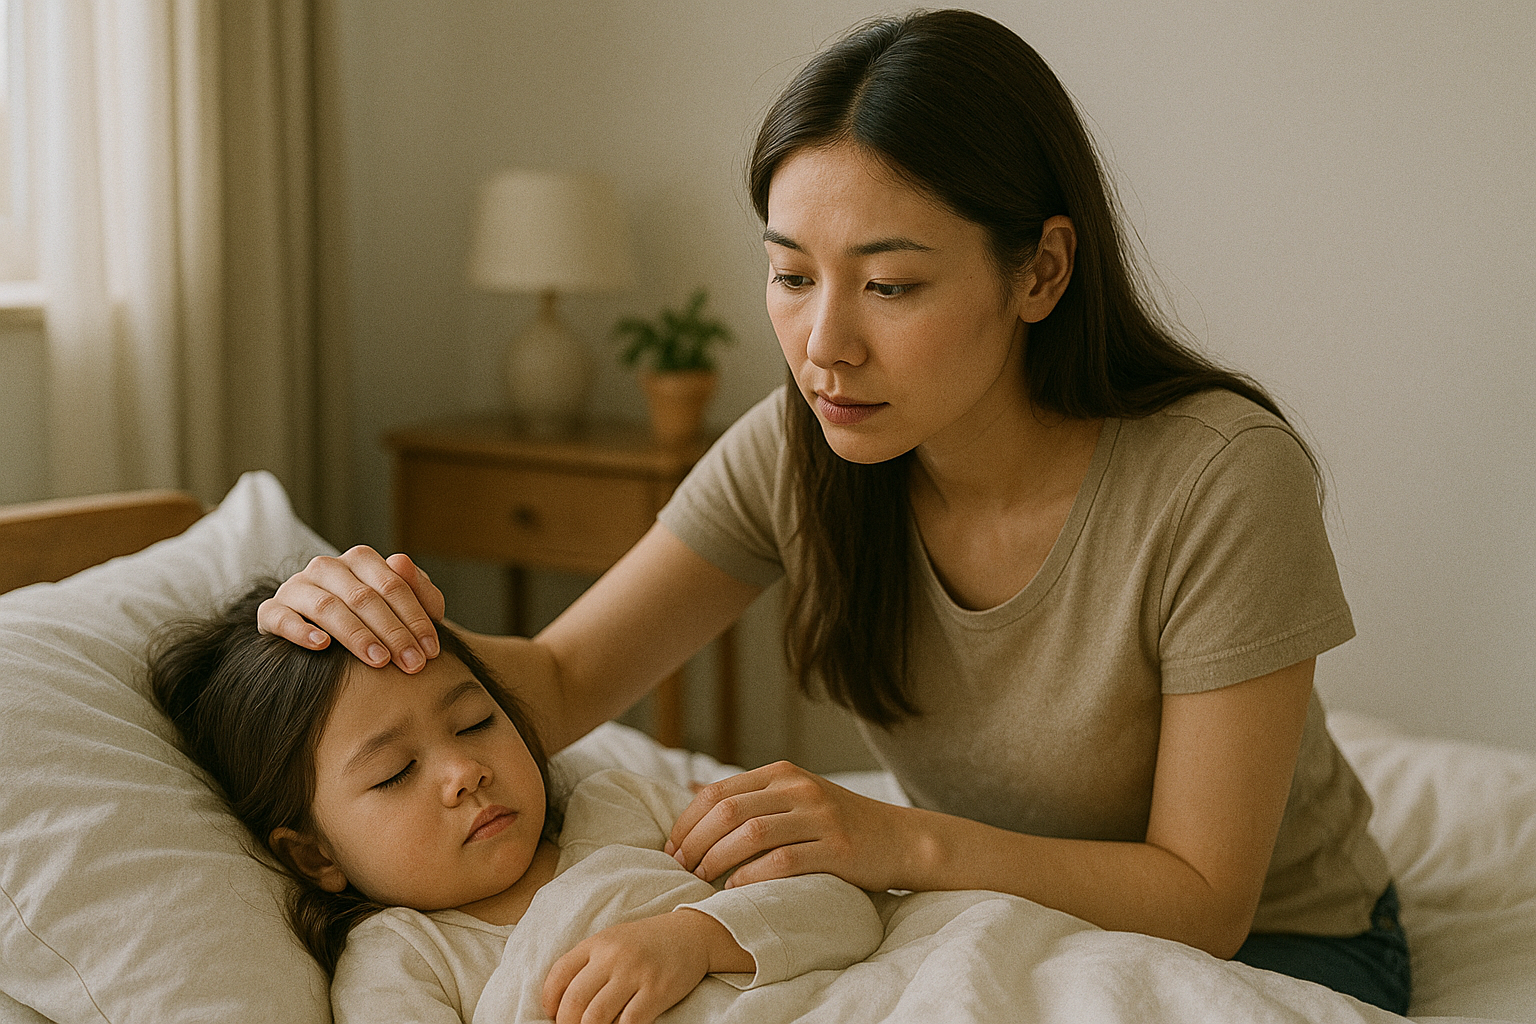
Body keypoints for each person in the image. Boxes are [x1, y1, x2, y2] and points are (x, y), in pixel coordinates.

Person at [258, 9, 1409, 1014]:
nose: (824, 346)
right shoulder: (801, 449)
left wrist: (898, 842)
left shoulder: (1220, 477)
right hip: (1002, 915)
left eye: (891, 284)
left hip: (1287, 946)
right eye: (792, 274)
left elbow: (1206, 899)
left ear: (1043, 272)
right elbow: (556, 683)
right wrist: (369, 623)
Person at [149, 583, 882, 1024]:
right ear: (315, 853)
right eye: (397, 772)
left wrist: (693, 940)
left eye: (474, 724)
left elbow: (847, 909)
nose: (464, 771)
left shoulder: (623, 810)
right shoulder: (403, 959)